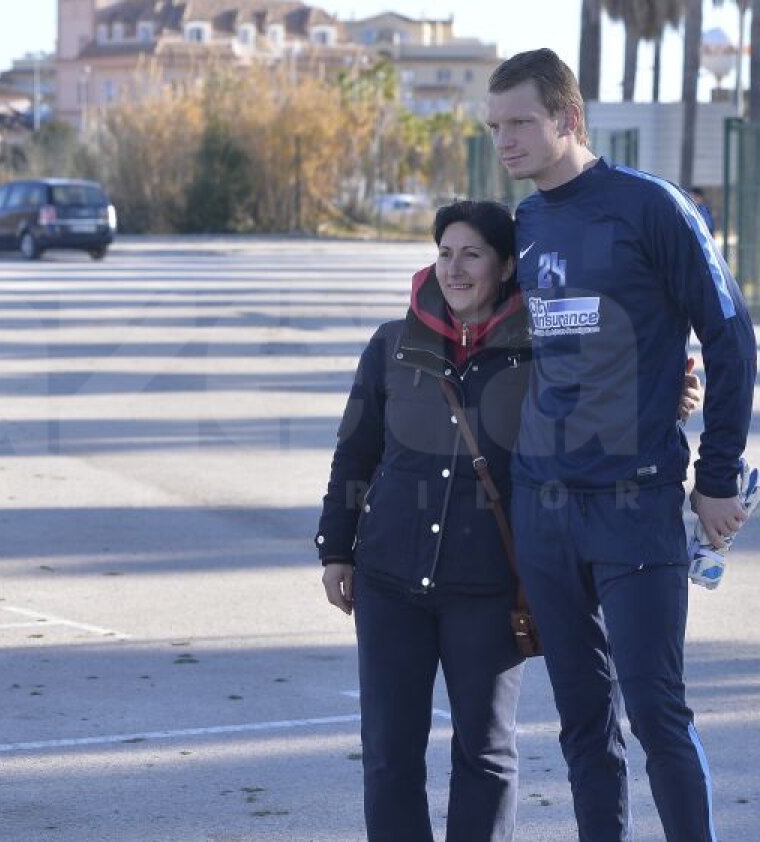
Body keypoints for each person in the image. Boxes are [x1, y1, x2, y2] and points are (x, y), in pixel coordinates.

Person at [486, 48, 756, 842]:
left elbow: (732, 338)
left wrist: (716, 476)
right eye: (495, 126)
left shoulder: (652, 208)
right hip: (543, 509)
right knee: (581, 724)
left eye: (521, 123)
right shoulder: (525, 222)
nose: (505, 140)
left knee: (656, 714)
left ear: (568, 119)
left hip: (634, 507)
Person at [317, 200, 530, 842]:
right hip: (389, 581)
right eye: (445, 254)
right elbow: (356, 451)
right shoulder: (392, 344)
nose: (455, 269)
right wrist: (337, 549)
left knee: (486, 754)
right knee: (388, 753)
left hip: (487, 588)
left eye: (472, 255)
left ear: (505, 265)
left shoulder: (537, 355)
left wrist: (678, 392)